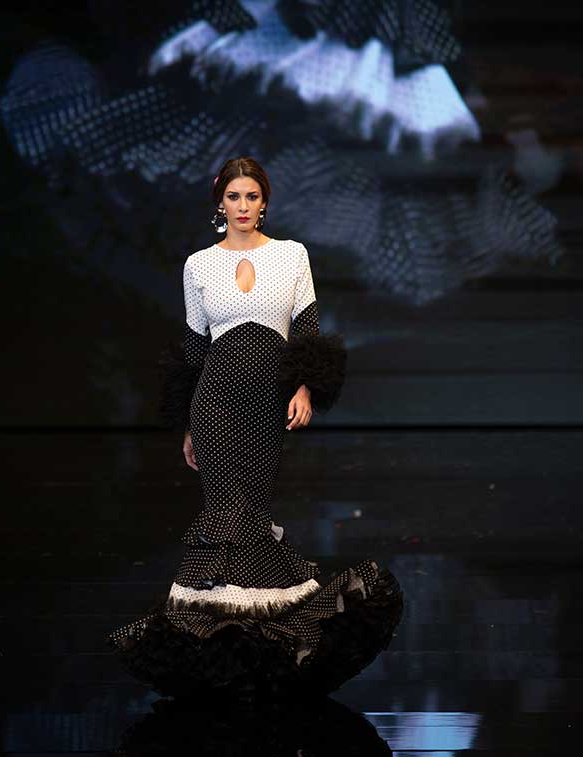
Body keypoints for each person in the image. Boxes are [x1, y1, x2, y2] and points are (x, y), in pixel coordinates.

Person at [107, 156, 403, 698]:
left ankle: (253, 650)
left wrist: (304, 388)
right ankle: (216, 650)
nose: (242, 206)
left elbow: (307, 332)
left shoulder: (292, 255)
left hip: (267, 403)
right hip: (213, 402)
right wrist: (188, 424)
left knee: (251, 513)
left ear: (264, 202)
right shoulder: (198, 265)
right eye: (234, 197)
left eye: (252, 196)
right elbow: (195, 349)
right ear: (219, 203)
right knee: (224, 511)